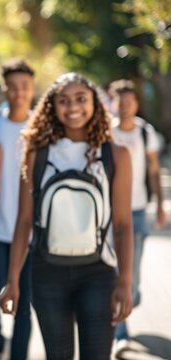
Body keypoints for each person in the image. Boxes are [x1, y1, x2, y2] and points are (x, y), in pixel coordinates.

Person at [0, 72, 134, 359]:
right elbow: (24, 221)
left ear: (95, 104)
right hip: (47, 272)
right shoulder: (37, 153)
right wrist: (12, 279)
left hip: (99, 271)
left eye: (80, 99)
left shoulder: (116, 154)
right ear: (52, 107)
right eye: (64, 100)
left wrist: (124, 282)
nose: (73, 107)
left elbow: (123, 225)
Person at [109, 79, 167, 357]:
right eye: (119, 102)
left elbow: (154, 171)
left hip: (138, 209)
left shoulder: (146, 133)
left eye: (129, 102)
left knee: (132, 274)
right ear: (113, 103)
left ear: (136, 104)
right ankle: (120, 332)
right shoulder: (106, 132)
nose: (124, 107)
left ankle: (132, 294)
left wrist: (159, 205)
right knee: (117, 271)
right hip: (110, 212)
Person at [0, 59, 36, 359]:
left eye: (25, 87)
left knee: (25, 304)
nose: (19, 93)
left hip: (30, 232)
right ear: (5, 88)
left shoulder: (42, 125)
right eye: (13, 87)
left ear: (32, 89)